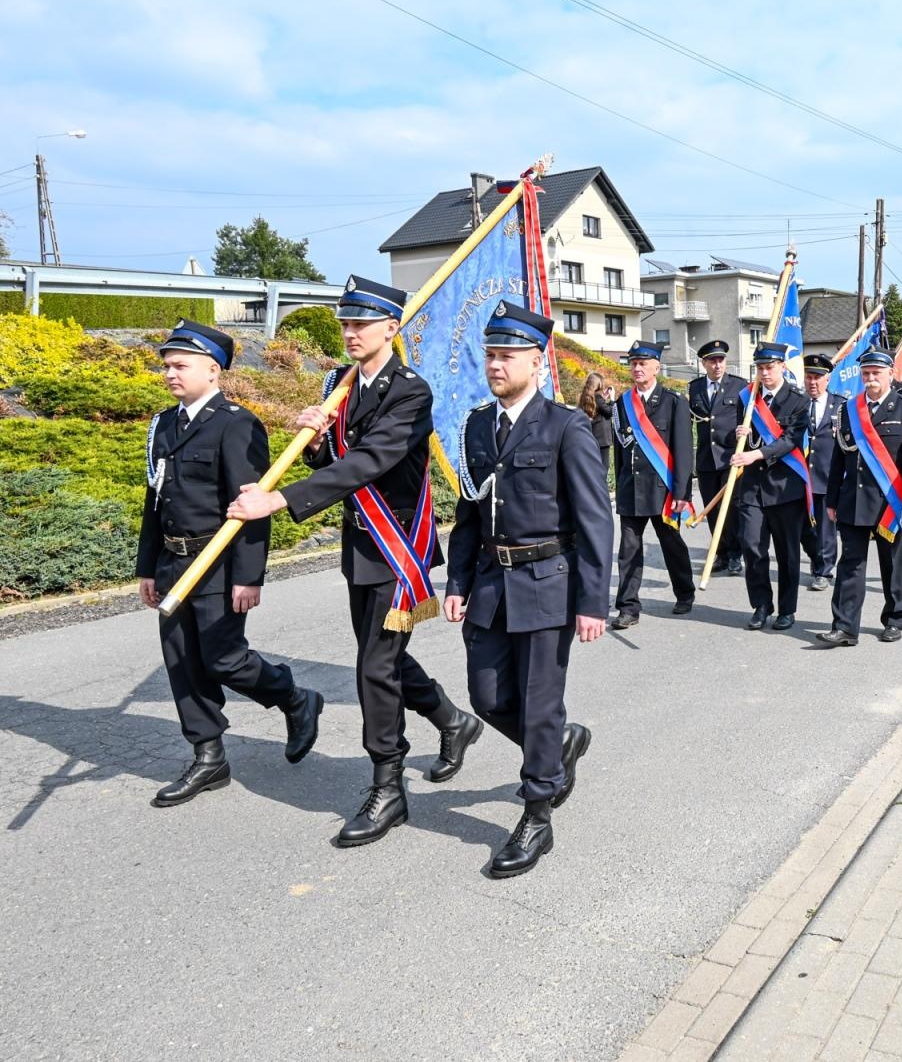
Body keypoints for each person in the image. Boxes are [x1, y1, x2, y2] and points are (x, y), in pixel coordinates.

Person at [226, 276, 480, 847]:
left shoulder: (410, 392)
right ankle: (452, 720)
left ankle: (387, 785)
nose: (349, 332)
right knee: (379, 656)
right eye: (345, 323)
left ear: (391, 327)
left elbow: (369, 461)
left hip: (397, 548)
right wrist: (315, 440)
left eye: (360, 323)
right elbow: (336, 457)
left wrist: (281, 499)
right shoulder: (339, 384)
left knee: (374, 668)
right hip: (359, 545)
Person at [442, 300, 613, 878]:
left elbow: (595, 520)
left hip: (547, 584)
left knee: (539, 704)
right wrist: (458, 581)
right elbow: (469, 513)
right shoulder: (476, 425)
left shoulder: (567, 427)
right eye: (490, 354)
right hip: (491, 583)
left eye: (507, 355)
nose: (495, 364)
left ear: (537, 362)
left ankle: (537, 814)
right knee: (488, 697)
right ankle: (559, 744)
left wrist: (593, 602)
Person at [136, 319, 323, 808]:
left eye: (181, 365)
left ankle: (295, 697)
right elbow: (154, 500)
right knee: (182, 662)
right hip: (173, 562)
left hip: (217, 563)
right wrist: (147, 567)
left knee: (223, 659)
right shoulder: (163, 424)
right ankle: (209, 756)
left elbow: (252, 505)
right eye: (167, 366)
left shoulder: (237, 424)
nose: (170, 374)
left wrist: (248, 576)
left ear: (213, 370)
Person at [816, 350, 902, 646]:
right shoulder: (849, 410)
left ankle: (895, 619)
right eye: (866, 373)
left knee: (893, 564)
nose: (870, 378)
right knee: (850, 564)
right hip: (853, 500)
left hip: (890, 503)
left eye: (876, 372)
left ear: (891, 374)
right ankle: (844, 627)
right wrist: (831, 500)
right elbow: (838, 458)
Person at [610, 340, 695, 629]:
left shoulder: (674, 402)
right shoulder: (622, 403)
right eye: (633, 363)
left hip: (663, 490)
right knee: (629, 551)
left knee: (672, 545)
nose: (637, 368)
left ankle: (684, 593)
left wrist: (682, 493)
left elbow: (683, 450)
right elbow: (620, 451)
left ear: (656, 367)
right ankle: (628, 607)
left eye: (643, 363)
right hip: (631, 489)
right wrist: (620, 483)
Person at [731, 342, 812, 631]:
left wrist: (756, 454)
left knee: (787, 552)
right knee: (752, 546)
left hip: (785, 488)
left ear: (782, 367)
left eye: (769, 367)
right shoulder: (747, 398)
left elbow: (790, 440)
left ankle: (787, 609)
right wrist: (740, 434)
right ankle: (761, 604)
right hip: (752, 487)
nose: (764, 373)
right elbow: (742, 442)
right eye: (760, 368)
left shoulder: (798, 400)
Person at [688, 341, 747, 575]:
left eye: (720, 360)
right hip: (706, 459)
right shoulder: (695, 388)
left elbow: (750, 417)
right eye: (712, 361)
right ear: (704, 363)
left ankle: (735, 555)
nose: (717, 365)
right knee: (711, 510)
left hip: (730, 457)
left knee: (731, 508)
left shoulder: (739, 386)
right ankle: (720, 553)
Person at [799, 353, 844, 591]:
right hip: (800, 476)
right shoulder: (797, 404)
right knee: (805, 528)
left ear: (827, 379)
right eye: (809, 377)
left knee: (826, 529)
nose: (813, 382)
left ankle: (824, 570)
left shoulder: (841, 405)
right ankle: (817, 559)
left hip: (828, 477)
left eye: (817, 377)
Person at [580, 370, 615, 483]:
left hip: (591, 436)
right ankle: (601, 490)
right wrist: (612, 399)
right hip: (603, 439)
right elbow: (609, 412)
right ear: (598, 384)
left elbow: (599, 410)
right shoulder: (597, 397)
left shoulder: (585, 397)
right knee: (603, 468)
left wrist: (604, 398)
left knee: (593, 467)